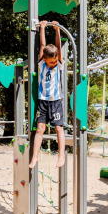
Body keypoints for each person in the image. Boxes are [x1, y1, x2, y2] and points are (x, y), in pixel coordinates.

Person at [29, 21, 66, 168]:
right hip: (43, 101)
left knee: (58, 128)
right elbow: (43, 46)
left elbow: (57, 47)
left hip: (56, 101)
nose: (54, 64)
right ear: (45, 60)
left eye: (55, 61)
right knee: (40, 129)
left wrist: (57, 30)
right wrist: (42, 28)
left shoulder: (59, 63)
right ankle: (35, 157)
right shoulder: (41, 63)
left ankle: (61, 155)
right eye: (51, 62)